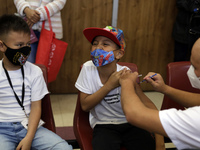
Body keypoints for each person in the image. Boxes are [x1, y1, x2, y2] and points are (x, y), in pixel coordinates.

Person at [75, 26, 165, 150]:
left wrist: (160, 141)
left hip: (130, 122)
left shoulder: (126, 73)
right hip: (103, 125)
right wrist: (109, 85)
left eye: (105, 44)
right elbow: (85, 106)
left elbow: (147, 104)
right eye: (95, 44)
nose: (98, 48)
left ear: (119, 54)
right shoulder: (87, 68)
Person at [0, 14, 72, 150]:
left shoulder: (35, 71)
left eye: (28, 44)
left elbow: (36, 107)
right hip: (1, 130)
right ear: (2, 46)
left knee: (64, 148)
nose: (25, 50)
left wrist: (29, 138)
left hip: (29, 126)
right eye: (19, 45)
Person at [119, 38, 200, 149]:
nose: (191, 71)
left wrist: (126, 82)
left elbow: (135, 114)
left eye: (195, 67)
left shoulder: (196, 120)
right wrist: (164, 89)